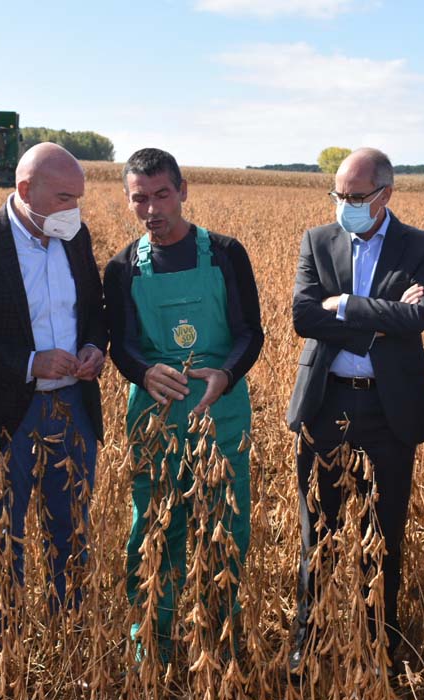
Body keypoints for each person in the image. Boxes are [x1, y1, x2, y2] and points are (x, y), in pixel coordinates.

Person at [286, 147, 424, 675]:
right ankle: (309, 642)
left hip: (388, 409)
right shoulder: (318, 239)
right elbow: (304, 316)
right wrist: (383, 318)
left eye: (355, 197)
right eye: (338, 195)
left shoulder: (421, 246)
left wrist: (347, 305)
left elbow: (417, 317)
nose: (344, 205)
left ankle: (381, 647)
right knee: (319, 531)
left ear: (385, 195)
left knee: (384, 533)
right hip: (326, 403)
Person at [103, 148, 263, 662]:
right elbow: (121, 344)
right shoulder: (123, 267)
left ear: (183, 190)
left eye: (162, 195)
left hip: (222, 411)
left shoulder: (225, 253)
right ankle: (153, 642)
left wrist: (226, 373)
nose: (152, 209)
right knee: (152, 527)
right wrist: (145, 372)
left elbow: (249, 333)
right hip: (154, 415)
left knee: (225, 527)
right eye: (139, 199)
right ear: (129, 201)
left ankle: (221, 643)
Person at [0, 143, 106, 621]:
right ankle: (4, 643)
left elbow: (94, 311)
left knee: (71, 524)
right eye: (63, 197)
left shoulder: (75, 237)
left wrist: (96, 348)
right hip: (4, 409)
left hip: (72, 404)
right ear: (24, 191)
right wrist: (30, 363)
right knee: (3, 528)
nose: (73, 209)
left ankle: (71, 631)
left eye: (77, 197)